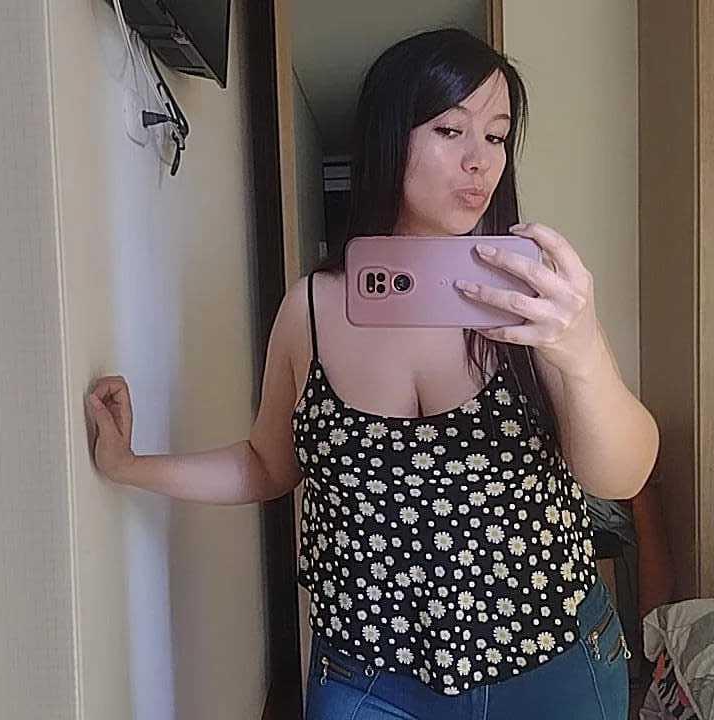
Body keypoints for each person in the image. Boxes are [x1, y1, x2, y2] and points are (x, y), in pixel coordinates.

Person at [85, 28, 659, 720]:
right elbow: (267, 464)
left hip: (550, 662)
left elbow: (622, 476)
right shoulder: (310, 312)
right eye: (450, 129)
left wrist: (583, 352)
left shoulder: (534, 299)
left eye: (497, 137)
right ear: (389, 136)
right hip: (368, 678)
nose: (479, 160)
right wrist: (128, 465)